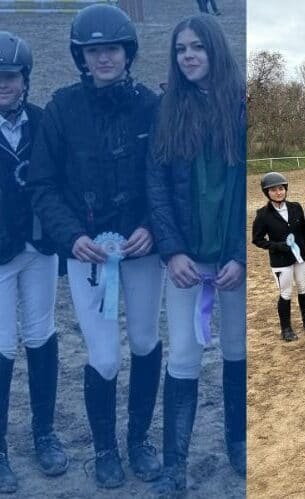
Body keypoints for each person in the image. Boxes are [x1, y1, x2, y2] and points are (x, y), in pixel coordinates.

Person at [27, 4, 163, 488]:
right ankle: (105, 449)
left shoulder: (151, 105)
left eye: (111, 49)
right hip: (89, 252)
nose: (103, 58)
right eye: (93, 50)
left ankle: (140, 440)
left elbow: (163, 177)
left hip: (142, 248)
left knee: (145, 341)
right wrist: (73, 237)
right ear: (80, 56)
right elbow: (42, 185)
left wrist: (152, 224)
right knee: (104, 355)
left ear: (127, 53)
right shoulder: (62, 109)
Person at [144, 14, 246, 494]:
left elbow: (244, 194)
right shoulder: (168, 109)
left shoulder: (242, 108)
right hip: (187, 258)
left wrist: (240, 256)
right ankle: (173, 468)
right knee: (183, 356)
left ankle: (239, 445)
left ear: (214, 51)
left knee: (237, 351)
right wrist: (172, 251)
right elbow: (156, 185)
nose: (188, 55)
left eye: (198, 47)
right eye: (181, 47)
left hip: (232, 260)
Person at [0, 31, 68, 494]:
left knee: (40, 334)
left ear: (24, 78)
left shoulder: (44, 121)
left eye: (9, 76)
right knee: (2, 344)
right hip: (0, 254)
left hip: (39, 249)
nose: (2, 83)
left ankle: (44, 432)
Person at [251, 172, 305, 341]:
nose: (278, 192)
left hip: (301, 257)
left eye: (281, 189)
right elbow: (257, 240)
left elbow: (304, 233)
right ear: (267, 193)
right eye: (273, 190)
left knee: (303, 288)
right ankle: (286, 328)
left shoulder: (296, 207)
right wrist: (278, 246)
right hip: (281, 261)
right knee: (285, 293)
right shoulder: (263, 214)